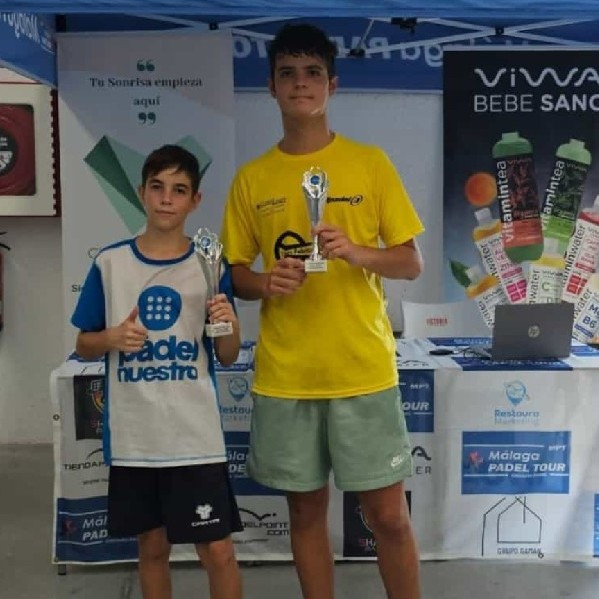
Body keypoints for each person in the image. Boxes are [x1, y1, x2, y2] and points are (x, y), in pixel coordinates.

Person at [220, 22, 424, 599]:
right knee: (306, 517)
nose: (300, 83)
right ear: (271, 87)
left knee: (388, 518)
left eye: (312, 72)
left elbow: (410, 263)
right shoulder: (252, 178)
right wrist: (267, 281)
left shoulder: (370, 163)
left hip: (363, 371)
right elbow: (234, 274)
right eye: (287, 73)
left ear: (332, 85)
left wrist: (356, 252)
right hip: (288, 377)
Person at [72, 145, 243, 599]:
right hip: (137, 440)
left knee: (218, 552)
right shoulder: (110, 264)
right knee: (151, 547)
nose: (167, 198)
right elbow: (83, 344)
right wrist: (112, 338)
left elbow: (227, 354)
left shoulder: (209, 263)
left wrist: (230, 321)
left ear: (195, 200)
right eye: (158, 187)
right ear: (141, 193)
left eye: (179, 190)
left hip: (195, 437)